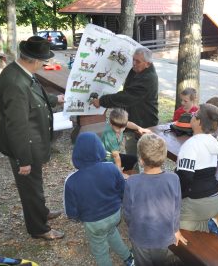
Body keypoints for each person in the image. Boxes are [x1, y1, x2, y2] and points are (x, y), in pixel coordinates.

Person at [0, 36, 65, 240]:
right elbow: (17, 125)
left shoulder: (22, 73)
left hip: (32, 142)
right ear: (34, 60)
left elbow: (34, 99)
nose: (44, 64)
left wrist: (55, 99)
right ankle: (39, 229)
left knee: (35, 184)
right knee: (30, 189)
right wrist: (23, 159)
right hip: (25, 145)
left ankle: (41, 212)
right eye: (43, 61)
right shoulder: (15, 82)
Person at [64, 132, 134, 266]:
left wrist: (77, 217)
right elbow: (124, 190)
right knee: (111, 231)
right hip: (114, 215)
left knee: (100, 249)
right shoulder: (111, 168)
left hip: (93, 222)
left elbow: (71, 210)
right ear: (99, 149)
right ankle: (128, 258)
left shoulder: (71, 180)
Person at [123, 134, 187, 266]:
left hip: (140, 237)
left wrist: (132, 227)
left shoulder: (132, 182)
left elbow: (128, 212)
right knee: (160, 262)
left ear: (140, 160)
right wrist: (176, 230)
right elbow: (176, 208)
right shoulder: (174, 179)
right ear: (164, 158)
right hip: (163, 237)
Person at [176, 103, 218, 239]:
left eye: (195, 114)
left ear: (198, 122)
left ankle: (207, 224)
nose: (192, 115)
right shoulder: (214, 143)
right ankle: (211, 218)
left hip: (199, 202)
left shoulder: (190, 145)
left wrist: (175, 200)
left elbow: (185, 177)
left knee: (168, 221)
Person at [93, 46, 158, 156]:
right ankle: (134, 171)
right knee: (132, 154)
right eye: (133, 59)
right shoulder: (137, 70)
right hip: (134, 119)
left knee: (145, 157)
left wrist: (102, 101)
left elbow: (127, 96)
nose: (134, 63)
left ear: (148, 64)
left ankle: (140, 172)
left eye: (138, 61)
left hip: (144, 123)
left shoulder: (148, 78)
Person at [102, 108, 151, 176]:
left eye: (123, 127)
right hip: (107, 160)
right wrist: (120, 174)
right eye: (118, 128)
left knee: (133, 159)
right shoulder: (110, 136)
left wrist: (139, 128)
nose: (121, 130)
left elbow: (128, 124)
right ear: (111, 124)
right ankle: (120, 178)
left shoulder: (119, 124)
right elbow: (116, 157)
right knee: (117, 174)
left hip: (113, 156)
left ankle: (125, 176)